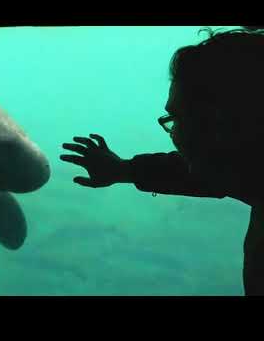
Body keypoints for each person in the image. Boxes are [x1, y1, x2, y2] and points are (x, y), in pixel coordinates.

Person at [60, 27, 264, 296]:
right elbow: (205, 172)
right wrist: (124, 170)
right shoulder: (249, 168)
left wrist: (125, 170)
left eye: (178, 119)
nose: (175, 135)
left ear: (220, 122)